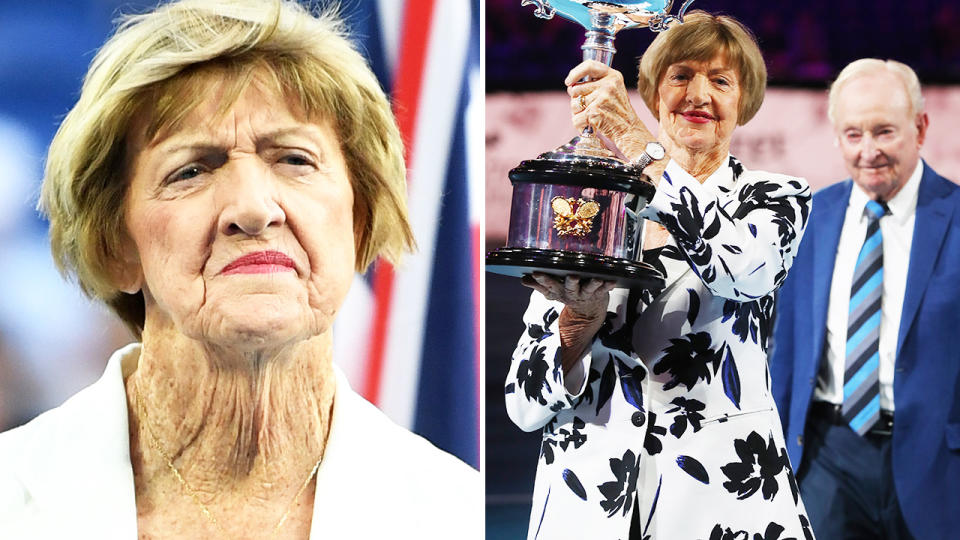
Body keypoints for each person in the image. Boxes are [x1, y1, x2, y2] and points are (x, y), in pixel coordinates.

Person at [0, 0, 480, 538]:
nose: (254, 209)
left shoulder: (456, 513)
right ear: (116, 246)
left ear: (360, 221)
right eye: (190, 171)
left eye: (295, 160)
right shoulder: (10, 497)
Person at [505, 11, 815, 540]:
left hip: (720, 501)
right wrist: (577, 325)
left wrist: (637, 145)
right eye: (680, 76)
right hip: (585, 505)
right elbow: (523, 403)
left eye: (720, 80)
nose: (698, 94)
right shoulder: (589, 205)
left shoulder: (773, 198)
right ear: (651, 91)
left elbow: (742, 272)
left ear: (745, 101)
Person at [770, 58, 960, 540]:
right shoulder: (808, 217)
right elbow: (785, 348)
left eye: (884, 132)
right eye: (853, 135)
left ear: (920, 127)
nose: (868, 151)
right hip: (826, 456)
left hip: (938, 462)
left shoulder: (956, 216)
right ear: (836, 137)